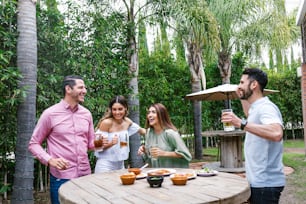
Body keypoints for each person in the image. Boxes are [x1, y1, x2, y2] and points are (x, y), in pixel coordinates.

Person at [221, 68, 285, 204]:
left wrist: (240, 123)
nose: (239, 85)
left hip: (266, 183)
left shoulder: (267, 107)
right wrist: (241, 97)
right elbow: (250, 116)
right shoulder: (257, 107)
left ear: (254, 84)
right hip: (259, 181)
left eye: (242, 82)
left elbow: (276, 133)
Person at [28, 75, 95, 204]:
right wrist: (50, 160)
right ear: (68, 89)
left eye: (85, 87)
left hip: (85, 175)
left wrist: (103, 143)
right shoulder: (50, 114)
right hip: (61, 177)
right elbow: (34, 143)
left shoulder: (86, 114)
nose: (85, 91)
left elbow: (90, 145)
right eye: (81, 87)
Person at [94, 95, 146, 173]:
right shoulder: (106, 123)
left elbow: (142, 131)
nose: (117, 112)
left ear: (125, 108)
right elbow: (97, 147)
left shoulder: (127, 122)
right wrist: (111, 143)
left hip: (121, 164)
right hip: (105, 165)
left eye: (120, 109)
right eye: (114, 109)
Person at [138, 103, 192, 168]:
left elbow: (186, 154)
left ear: (161, 115)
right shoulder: (149, 133)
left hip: (175, 175)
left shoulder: (170, 133)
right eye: (149, 113)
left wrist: (163, 153)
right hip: (158, 174)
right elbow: (149, 159)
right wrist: (144, 151)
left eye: (153, 112)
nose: (150, 115)